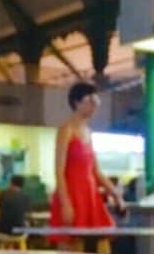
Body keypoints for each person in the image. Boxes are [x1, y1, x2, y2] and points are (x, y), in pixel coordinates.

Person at [50, 82, 123, 237]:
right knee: (72, 249)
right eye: (90, 101)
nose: (94, 106)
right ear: (77, 102)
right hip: (72, 194)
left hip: (89, 194)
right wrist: (65, 203)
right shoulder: (66, 130)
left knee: (102, 244)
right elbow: (59, 171)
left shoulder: (88, 132)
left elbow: (96, 171)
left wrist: (115, 194)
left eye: (96, 101)